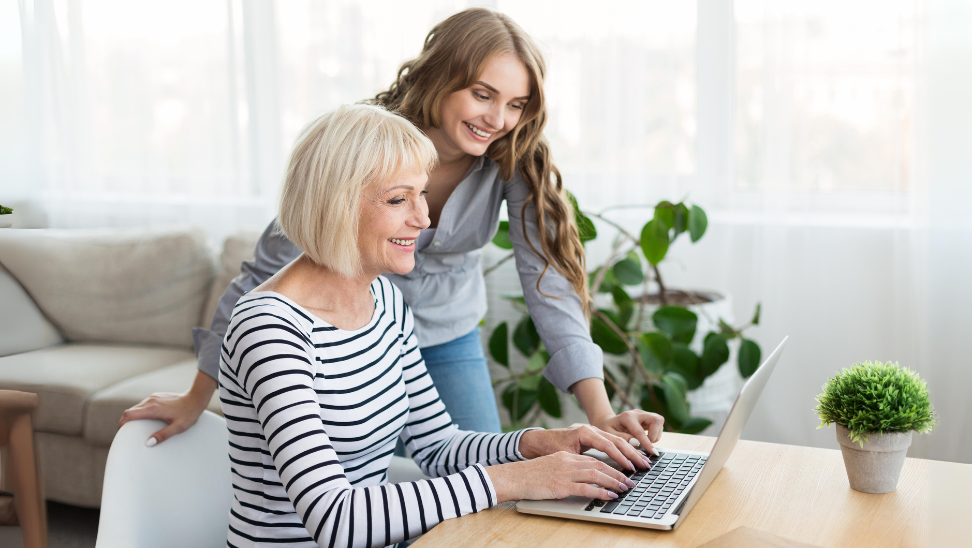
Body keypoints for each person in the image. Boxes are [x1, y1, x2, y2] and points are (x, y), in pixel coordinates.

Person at [120, 7, 664, 454]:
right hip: (351, 341)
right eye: (482, 94)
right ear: (442, 77)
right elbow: (264, 277)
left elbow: (548, 283)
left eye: (516, 104)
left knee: (481, 474)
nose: (498, 119)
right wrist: (197, 395)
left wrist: (601, 412)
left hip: (449, 337)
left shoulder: (512, 158)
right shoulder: (364, 141)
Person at [223, 104, 651, 547]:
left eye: (421, 194)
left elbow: (437, 446)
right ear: (335, 205)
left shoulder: (385, 301)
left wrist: (536, 444)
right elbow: (336, 519)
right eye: (397, 199)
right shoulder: (270, 328)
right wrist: (513, 480)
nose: (423, 219)